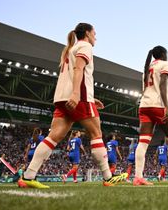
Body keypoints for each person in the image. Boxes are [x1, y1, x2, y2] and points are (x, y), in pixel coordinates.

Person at [18, 23, 126, 189]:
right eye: (94, 33)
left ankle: (28, 176)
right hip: (78, 97)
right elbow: (78, 70)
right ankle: (108, 176)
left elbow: (71, 74)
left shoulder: (70, 49)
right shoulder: (85, 46)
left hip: (62, 98)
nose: (95, 37)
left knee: (53, 136)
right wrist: (77, 94)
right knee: (96, 133)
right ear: (88, 34)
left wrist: (89, 96)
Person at [134, 46, 168, 186]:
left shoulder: (148, 68)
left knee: (143, 142)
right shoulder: (164, 64)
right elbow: (163, 84)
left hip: (144, 105)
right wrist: (166, 106)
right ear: (164, 54)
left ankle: (138, 177)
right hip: (158, 105)